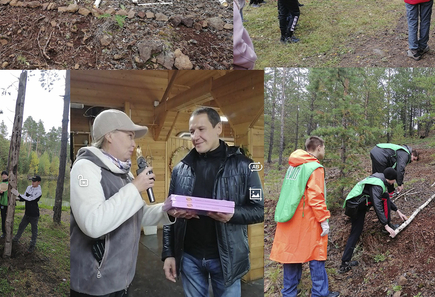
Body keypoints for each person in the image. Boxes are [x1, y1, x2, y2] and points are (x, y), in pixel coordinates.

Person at [71, 110, 177, 296]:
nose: (134, 144)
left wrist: (167, 210)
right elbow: (93, 224)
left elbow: (137, 215)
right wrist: (135, 187)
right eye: (129, 136)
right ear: (109, 135)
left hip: (121, 279)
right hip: (93, 286)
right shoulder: (85, 168)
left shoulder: (124, 173)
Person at [162, 107, 264, 297]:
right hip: (189, 258)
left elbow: (259, 210)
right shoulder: (180, 169)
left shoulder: (245, 166)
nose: (195, 136)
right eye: (192, 131)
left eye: (201, 129)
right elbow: (168, 214)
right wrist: (168, 253)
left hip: (227, 260)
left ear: (218, 128)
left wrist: (233, 215)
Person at [269, 136, 340, 297]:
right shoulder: (314, 167)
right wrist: (323, 220)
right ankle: (320, 293)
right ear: (319, 147)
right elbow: (316, 197)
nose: (324, 151)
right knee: (316, 254)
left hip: (289, 218)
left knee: (291, 255)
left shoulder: (294, 166)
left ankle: (289, 292)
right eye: (324, 148)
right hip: (307, 219)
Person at [340, 168, 407, 273]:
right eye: (394, 180)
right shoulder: (377, 185)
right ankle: (344, 264)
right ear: (390, 179)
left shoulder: (380, 178)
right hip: (355, 206)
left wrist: (398, 211)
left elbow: (385, 199)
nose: (394, 183)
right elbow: (377, 205)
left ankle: (345, 261)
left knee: (384, 197)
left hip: (359, 204)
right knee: (355, 232)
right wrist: (385, 225)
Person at [11, 175, 42, 252]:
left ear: (39, 182)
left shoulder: (39, 192)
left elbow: (30, 199)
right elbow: (24, 197)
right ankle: (15, 239)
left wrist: (18, 194)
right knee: (21, 226)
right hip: (27, 213)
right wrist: (17, 198)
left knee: (34, 230)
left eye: (34, 181)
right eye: (32, 181)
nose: (32, 182)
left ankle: (32, 245)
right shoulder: (29, 187)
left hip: (34, 214)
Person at [0, 170, 9, 238]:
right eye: (3, 175)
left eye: (5, 174)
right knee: (3, 219)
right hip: (2, 203)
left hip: (9, 204)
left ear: (7, 175)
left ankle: (9, 232)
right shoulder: (0, 184)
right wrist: (0, 192)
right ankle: (4, 232)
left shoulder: (10, 183)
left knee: (9, 219)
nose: (4, 176)